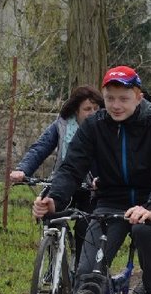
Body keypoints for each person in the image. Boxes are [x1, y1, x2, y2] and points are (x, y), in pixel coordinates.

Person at [32, 65, 151, 294]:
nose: (116, 105)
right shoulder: (95, 125)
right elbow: (71, 167)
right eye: (110, 98)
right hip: (111, 200)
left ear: (139, 97)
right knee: (87, 274)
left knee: (144, 230)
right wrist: (54, 199)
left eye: (124, 98)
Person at [11, 85, 103, 263]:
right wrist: (23, 170)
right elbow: (40, 147)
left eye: (96, 108)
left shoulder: (103, 127)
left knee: (85, 227)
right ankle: (53, 262)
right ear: (76, 110)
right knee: (49, 214)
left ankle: (81, 270)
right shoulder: (61, 125)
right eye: (87, 109)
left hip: (91, 188)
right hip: (64, 184)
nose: (92, 113)